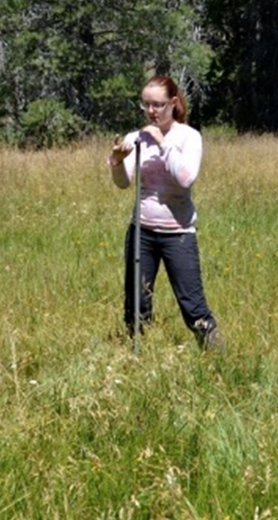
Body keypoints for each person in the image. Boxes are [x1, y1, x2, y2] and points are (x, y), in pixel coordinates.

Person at [106, 75, 222, 351]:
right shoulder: (135, 138)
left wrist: (161, 142)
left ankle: (217, 357)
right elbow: (124, 184)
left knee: (192, 304)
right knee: (136, 302)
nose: (151, 111)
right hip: (141, 232)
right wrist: (116, 162)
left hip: (178, 233)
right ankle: (136, 356)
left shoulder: (189, 137)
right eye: (146, 104)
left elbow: (185, 178)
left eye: (158, 104)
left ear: (173, 103)